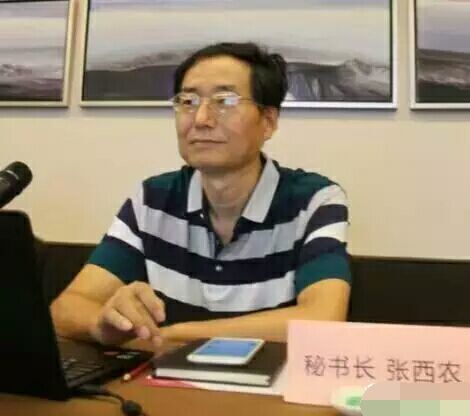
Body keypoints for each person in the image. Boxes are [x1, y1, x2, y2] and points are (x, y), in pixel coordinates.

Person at [51, 42, 351, 348]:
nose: (201, 119)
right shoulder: (152, 199)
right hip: (164, 377)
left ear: (268, 122)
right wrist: (104, 324)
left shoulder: (314, 201)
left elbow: (322, 321)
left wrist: (172, 334)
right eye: (188, 101)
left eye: (225, 101)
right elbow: (66, 309)